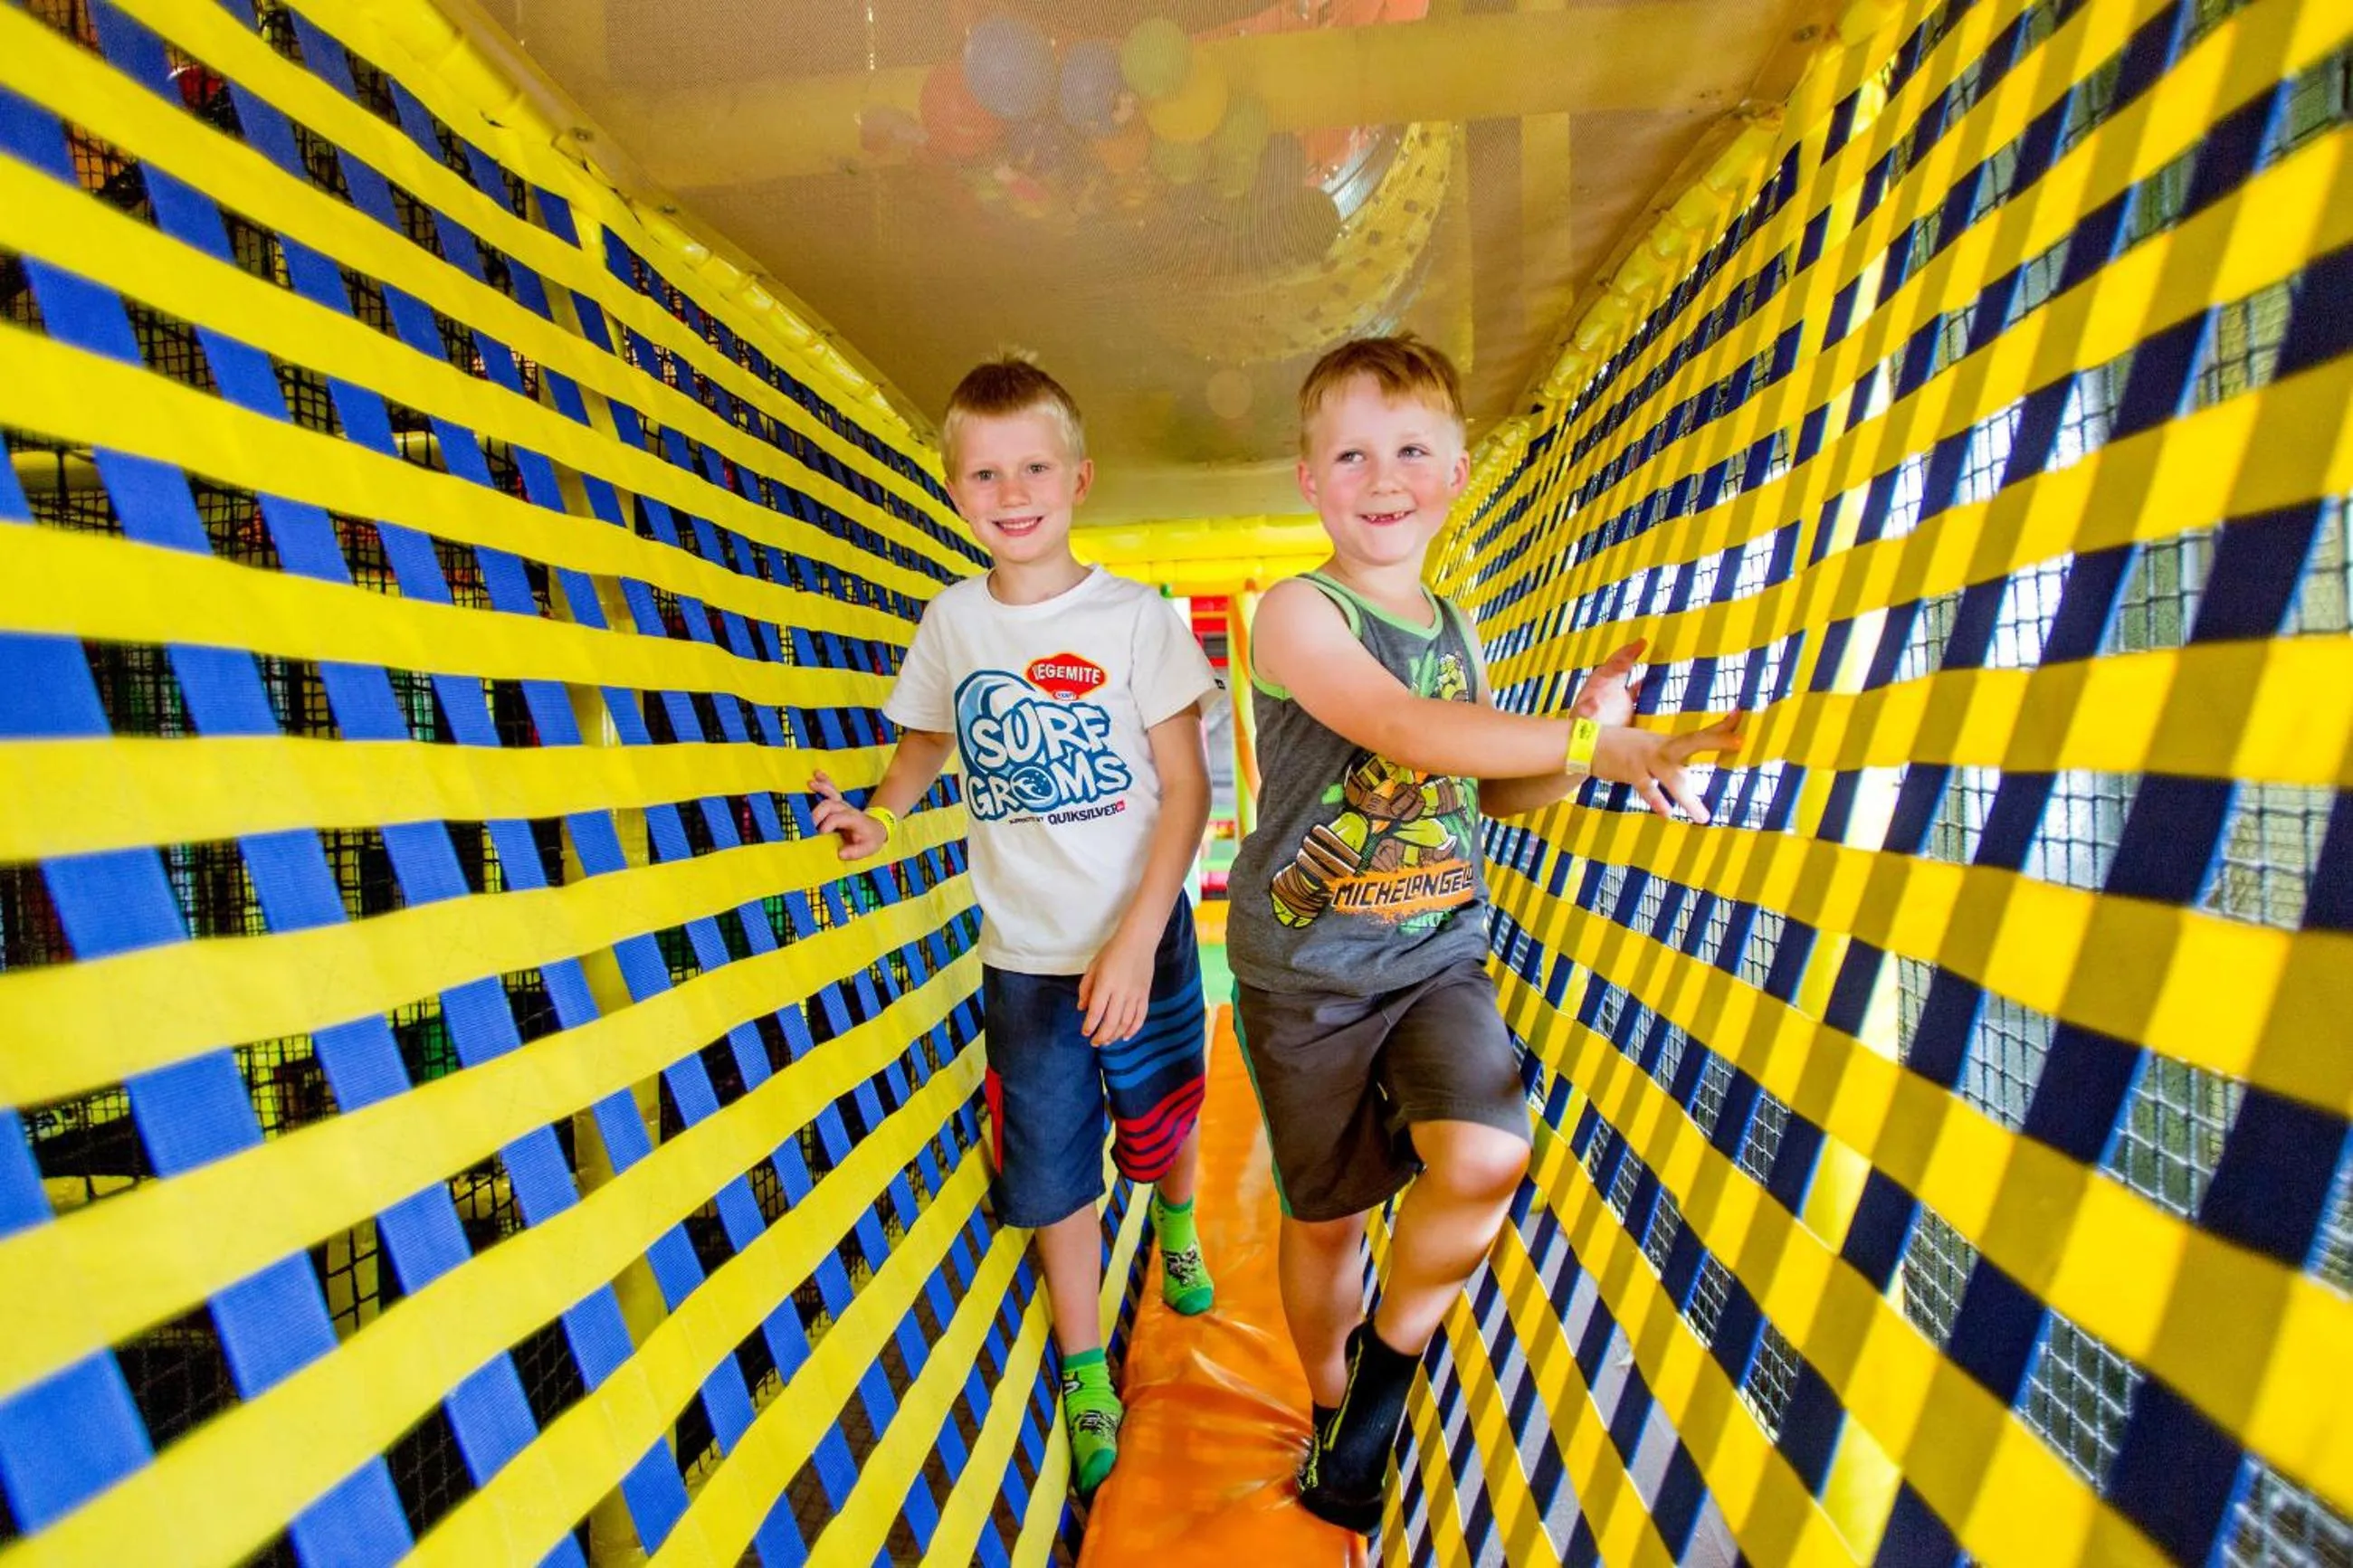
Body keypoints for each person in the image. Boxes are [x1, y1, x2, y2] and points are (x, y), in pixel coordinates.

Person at [1228, 336, 1744, 1534]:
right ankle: (1332, 1409)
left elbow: (1491, 791)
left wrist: (1578, 735)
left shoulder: (1455, 622)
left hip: (1434, 957)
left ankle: (1383, 1374)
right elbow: (1403, 728)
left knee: (1485, 1154)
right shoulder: (1298, 613)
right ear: (1308, 479)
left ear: (1456, 473)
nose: (1383, 477)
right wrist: (1594, 744)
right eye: (1351, 455)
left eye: (1412, 450)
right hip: (1307, 974)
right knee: (1329, 1219)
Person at [812, 356, 1219, 1498]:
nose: (1011, 492)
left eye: (1033, 467)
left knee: (1163, 1114)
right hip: (1026, 962)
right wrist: (883, 814)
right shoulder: (952, 622)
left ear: (1078, 478)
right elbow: (927, 738)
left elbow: (1187, 791)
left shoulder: (1134, 619)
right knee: (1048, 1168)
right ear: (954, 493)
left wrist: (1136, 935)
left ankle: (1177, 1215)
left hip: (1142, 934)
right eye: (984, 474)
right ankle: (1087, 1367)